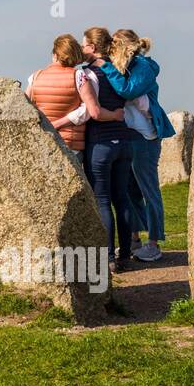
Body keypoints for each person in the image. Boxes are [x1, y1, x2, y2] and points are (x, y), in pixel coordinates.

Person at [98, 30, 175, 262]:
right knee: (128, 190)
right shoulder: (124, 65)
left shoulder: (143, 66)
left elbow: (128, 90)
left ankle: (154, 243)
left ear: (122, 46)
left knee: (147, 188)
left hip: (146, 136)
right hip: (128, 134)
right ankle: (134, 239)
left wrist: (105, 66)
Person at [79, 27, 139, 270]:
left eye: (84, 45)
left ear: (93, 48)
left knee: (102, 201)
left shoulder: (87, 74)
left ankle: (108, 259)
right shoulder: (120, 70)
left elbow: (93, 112)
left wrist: (110, 116)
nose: (81, 50)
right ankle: (125, 254)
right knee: (121, 199)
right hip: (123, 142)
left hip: (100, 143)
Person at [25, 34, 89, 154]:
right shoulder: (78, 76)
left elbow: (25, 106)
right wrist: (60, 122)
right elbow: (88, 109)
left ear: (55, 55)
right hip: (71, 143)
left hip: (44, 140)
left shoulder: (35, 77)